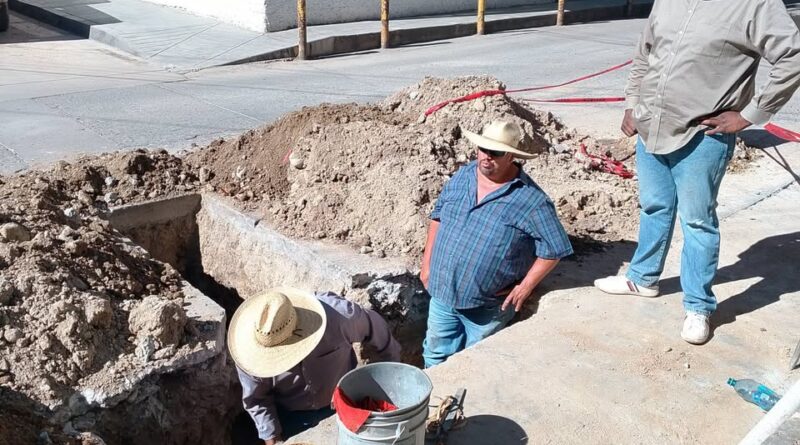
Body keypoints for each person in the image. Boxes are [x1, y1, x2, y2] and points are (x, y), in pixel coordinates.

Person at [594, 0, 800, 345]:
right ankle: (642, 278)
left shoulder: (755, 5)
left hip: (702, 136)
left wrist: (750, 115)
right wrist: (632, 104)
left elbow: (793, 56)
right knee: (654, 206)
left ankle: (698, 306)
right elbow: (645, 52)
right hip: (651, 127)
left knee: (697, 221)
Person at [419, 120, 573, 368]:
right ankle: (435, 405)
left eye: (496, 152)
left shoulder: (531, 200)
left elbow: (553, 248)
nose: (486, 157)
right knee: (435, 355)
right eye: (482, 148)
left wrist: (525, 287)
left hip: (488, 307)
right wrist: (426, 266)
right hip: (443, 293)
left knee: (476, 363)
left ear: (511, 156)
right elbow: (437, 216)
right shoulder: (463, 176)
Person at [228, 287, 401, 444]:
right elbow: (257, 400)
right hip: (291, 416)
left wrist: (391, 379)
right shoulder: (247, 354)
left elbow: (374, 327)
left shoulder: (338, 317)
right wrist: (274, 438)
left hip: (344, 403)